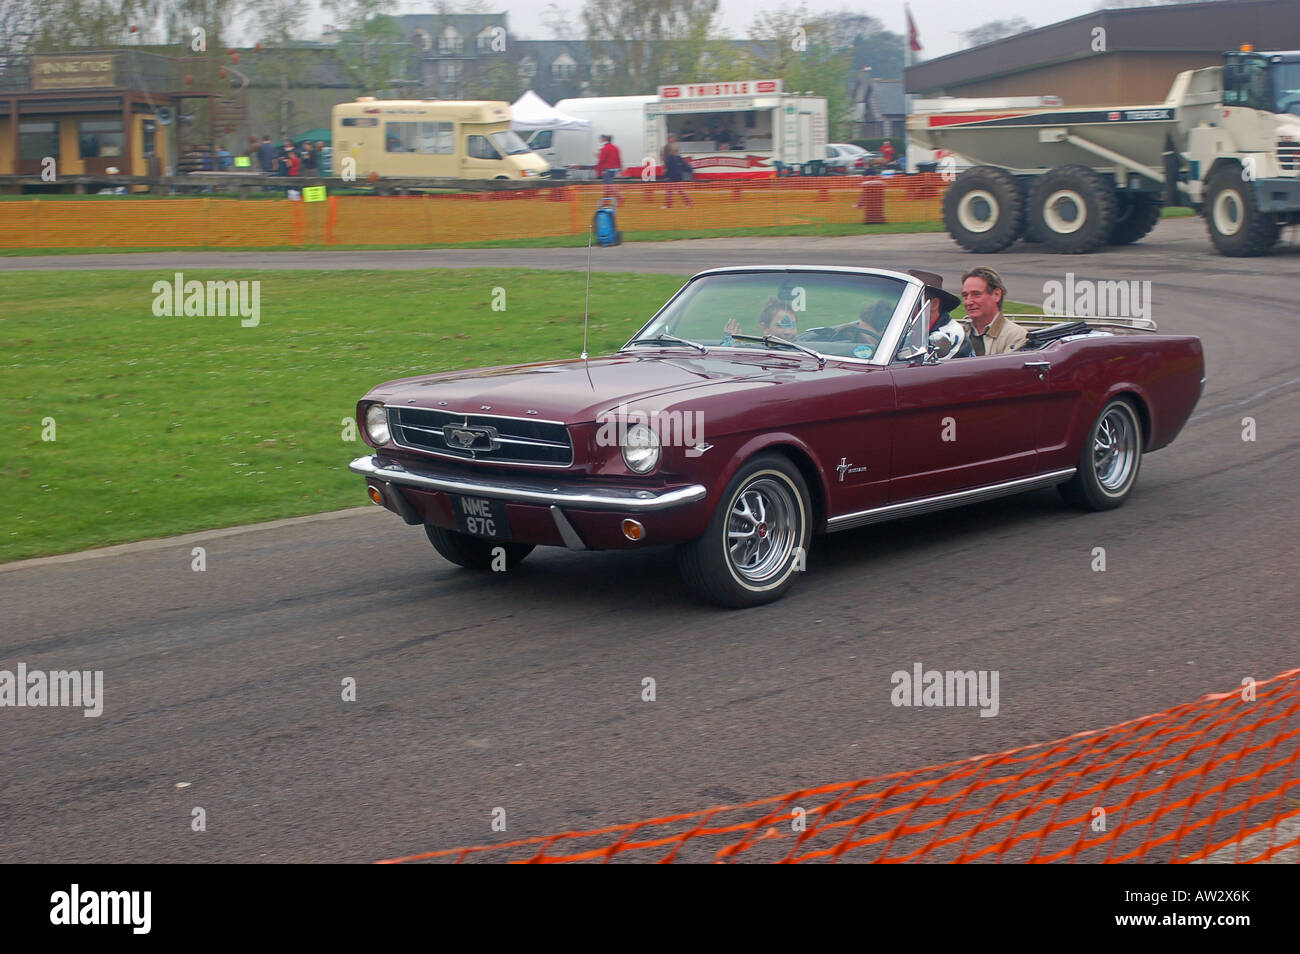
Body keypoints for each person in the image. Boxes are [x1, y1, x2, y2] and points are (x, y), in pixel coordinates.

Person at [960, 265, 1027, 355]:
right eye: (965, 296)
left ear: (996, 295)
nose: (969, 302)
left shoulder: (1016, 336)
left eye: (976, 294)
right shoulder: (959, 334)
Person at [908, 268, 973, 359]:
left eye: (914, 301)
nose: (908, 307)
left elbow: (925, 369)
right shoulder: (908, 328)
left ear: (934, 304)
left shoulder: (951, 334)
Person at [721, 296, 799, 345]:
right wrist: (729, 344)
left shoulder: (805, 350)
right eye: (780, 326)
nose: (788, 332)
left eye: (792, 326)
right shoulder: (757, 350)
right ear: (765, 328)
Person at [661, 135, 694, 209]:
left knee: (669, 190)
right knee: (680, 190)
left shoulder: (669, 158)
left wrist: (665, 175)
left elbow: (667, 168)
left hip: (672, 176)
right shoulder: (679, 157)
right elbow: (685, 166)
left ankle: (668, 205)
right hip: (679, 175)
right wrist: (690, 170)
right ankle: (689, 203)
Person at [595, 133, 622, 202]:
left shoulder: (605, 148)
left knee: (608, 186)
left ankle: (619, 198)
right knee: (608, 185)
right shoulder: (616, 148)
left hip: (606, 170)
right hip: (614, 170)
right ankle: (606, 200)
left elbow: (601, 160)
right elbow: (618, 159)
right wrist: (620, 168)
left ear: (606, 140)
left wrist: (598, 171)